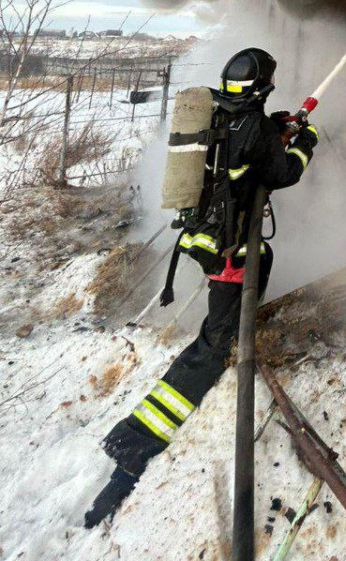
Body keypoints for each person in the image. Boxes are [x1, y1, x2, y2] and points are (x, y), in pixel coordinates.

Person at [84, 47, 318, 529]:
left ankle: (234, 332)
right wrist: (304, 140)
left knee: (261, 264)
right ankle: (136, 444)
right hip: (228, 251)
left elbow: (241, 151)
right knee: (213, 347)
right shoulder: (253, 127)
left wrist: (277, 127)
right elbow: (283, 172)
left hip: (202, 238)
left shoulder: (220, 110)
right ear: (264, 87)